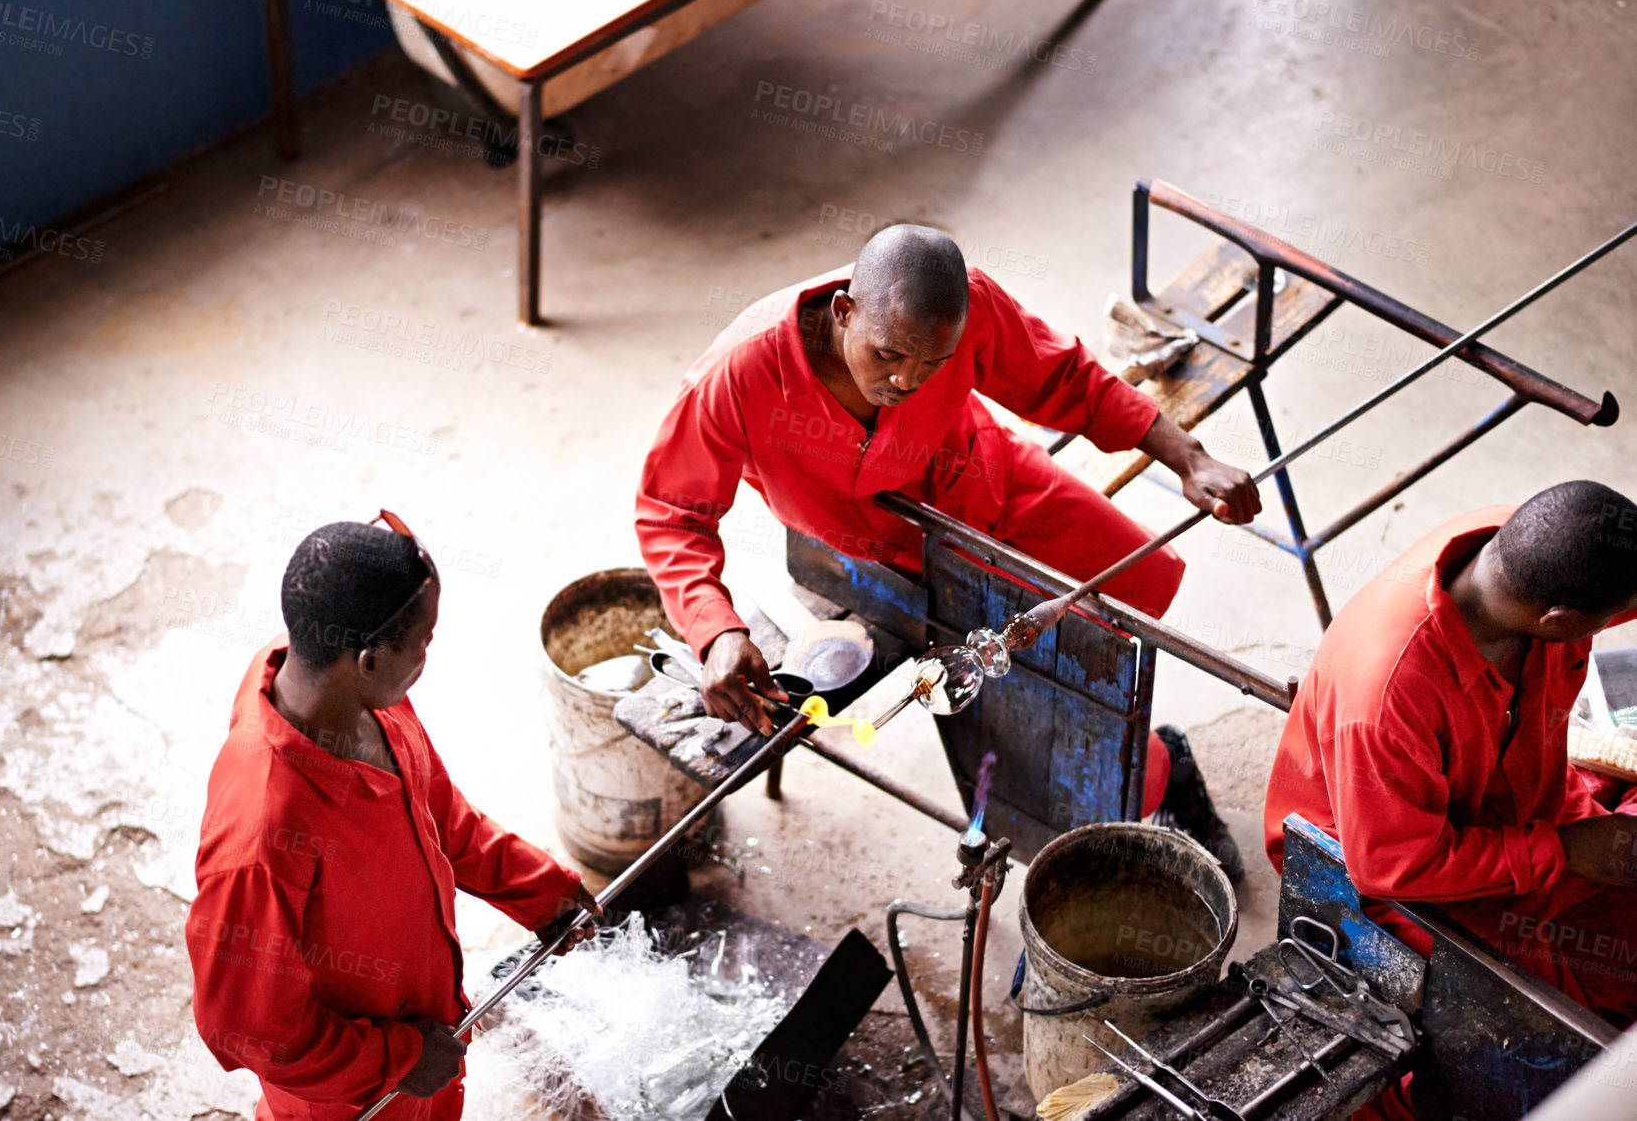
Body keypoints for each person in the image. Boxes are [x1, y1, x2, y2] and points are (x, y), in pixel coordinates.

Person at [636, 225, 1260, 874]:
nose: (906, 380)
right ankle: (1151, 780)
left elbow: (1063, 378)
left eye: (931, 364)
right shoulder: (739, 373)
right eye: (887, 356)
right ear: (844, 311)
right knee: (1051, 707)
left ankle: (1154, 771)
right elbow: (671, 512)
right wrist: (714, 631)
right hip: (876, 562)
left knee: (1117, 619)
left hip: (986, 482)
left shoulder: (971, 308)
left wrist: (1189, 457)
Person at [187, 516, 597, 1121]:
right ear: (369, 659)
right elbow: (250, 1028)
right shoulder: (261, 834)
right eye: (424, 643)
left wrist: (540, 892)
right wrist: (397, 1060)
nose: (428, 657)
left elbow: (440, 815)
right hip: (351, 1097)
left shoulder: (363, 698)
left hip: (424, 1042)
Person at [1263, 482, 1637, 1117]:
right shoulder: (1387, 694)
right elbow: (1388, 866)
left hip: (1525, 814)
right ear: (1559, 623)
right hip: (1392, 877)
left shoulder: (1518, 552)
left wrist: (1564, 845)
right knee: (1542, 1036)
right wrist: (1561, 852)